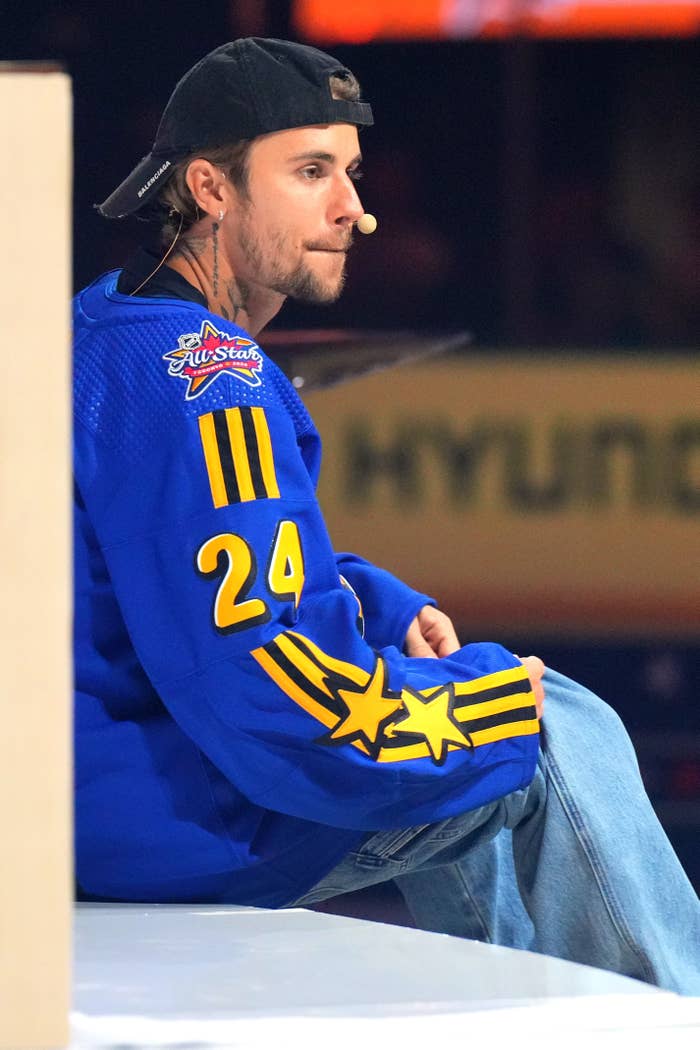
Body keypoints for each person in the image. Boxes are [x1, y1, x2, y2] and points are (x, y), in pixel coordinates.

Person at [73, 37, 700, 994]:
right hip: (172, 816)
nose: (355, 211)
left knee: (446, 730)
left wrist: (371, 600)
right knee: (554, 732)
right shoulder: (213, 381)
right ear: (210, 187)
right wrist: (498, 703)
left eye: (351, 174)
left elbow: (171, 567)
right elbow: (274, 707)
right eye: (312, 172)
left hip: (88, 792)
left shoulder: (101, 326)